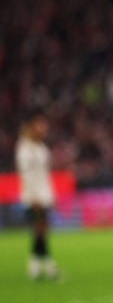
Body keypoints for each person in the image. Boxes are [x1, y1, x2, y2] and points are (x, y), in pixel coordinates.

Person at [16, 113, 59, 281]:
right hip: (33, 195)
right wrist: (34, 197)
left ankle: (39, 265)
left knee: (41, 230)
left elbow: (45, 175)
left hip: (45, 194)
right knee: (39, 229)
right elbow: (25, 175)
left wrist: (50, 194)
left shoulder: (41, 148)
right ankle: (43, 265)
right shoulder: (24, 149)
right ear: (32, 127)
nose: (44, 129)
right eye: (40, 125)